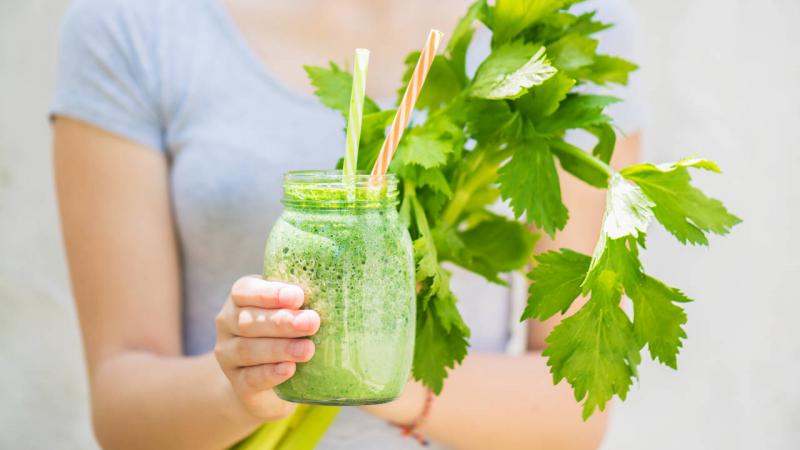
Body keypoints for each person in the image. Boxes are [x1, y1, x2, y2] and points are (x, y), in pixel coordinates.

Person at [52, 0, 643, 448]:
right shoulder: (130, 23)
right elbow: (121, 407)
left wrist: (373, 365)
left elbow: (577, 401)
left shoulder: (565, 23)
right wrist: (243, 385)